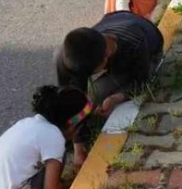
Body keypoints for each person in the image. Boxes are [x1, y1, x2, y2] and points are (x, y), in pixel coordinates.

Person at [55, 11, 165, 165]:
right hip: (114, 19)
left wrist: (117, 97)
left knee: (95, 95)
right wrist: (78, 147)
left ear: (106, 56)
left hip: (149, 48)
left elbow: (142, 82)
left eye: (92, 73)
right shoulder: (67, 55)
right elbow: (73, 100)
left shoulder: (134, 43)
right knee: (83, 105)